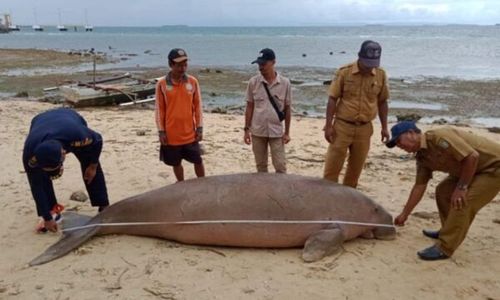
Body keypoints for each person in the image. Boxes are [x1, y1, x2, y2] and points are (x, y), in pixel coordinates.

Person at [387, 121, 500, 260]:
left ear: (411, 133)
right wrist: (405, 214)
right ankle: (447, 230)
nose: (399, 146)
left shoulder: (439, 137)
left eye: (399, 140)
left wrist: (461, 188)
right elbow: (419, 186)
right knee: (443, 191)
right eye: (396, 144)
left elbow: (472, 157)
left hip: (493, 167)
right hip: (469, 171)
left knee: (462, 201)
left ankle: (445, 247)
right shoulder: (422, 157)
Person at [23, 108, 109, 233]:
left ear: (64, 154)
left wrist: (93, 166)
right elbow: (36, 185)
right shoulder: (30, 155)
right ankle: (53, 211)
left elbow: (98, 139)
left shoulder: (78, 136)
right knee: (40, 177)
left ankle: (104, 206)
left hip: (69, 119)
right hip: (39, 122)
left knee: (89, 163)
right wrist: (47, 218)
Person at [323, 40, 390, 188]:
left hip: (365, 129)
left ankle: (349, 202)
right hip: (342, 127)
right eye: (367, 63)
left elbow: (383, 102)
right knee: (332, 169)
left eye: (373, 64)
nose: (369, 68)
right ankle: (327, 200)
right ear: (359, 56)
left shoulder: (381, 75)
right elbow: (333, 99)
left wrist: (385, 127)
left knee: (355, 171)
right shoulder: (344, 72)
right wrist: (328, 125)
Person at [155, 48, 204, 181]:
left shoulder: (192, 82)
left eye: (185, 64)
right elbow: (159, 110)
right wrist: (161, 131)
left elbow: (198, 106)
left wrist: (199, 128)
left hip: (190, 133)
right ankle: (181, 184)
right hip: (171, 135)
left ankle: (203, 183)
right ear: (171, 65)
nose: (183, 68)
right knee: (176, 163)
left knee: (198, 160)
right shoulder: (162, 84)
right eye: (179, 65)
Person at [243, 48, 292, 173]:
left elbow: (287, 109)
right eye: (259, 64)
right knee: (261, 166)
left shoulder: (285, 83)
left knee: (280, 166)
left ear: (273, 62)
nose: (260, 67)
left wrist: (287, 132)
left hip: (276, 131)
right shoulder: (253, 82)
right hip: (257, 131)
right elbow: (249, 107)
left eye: (264, 64)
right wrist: (246, 130)